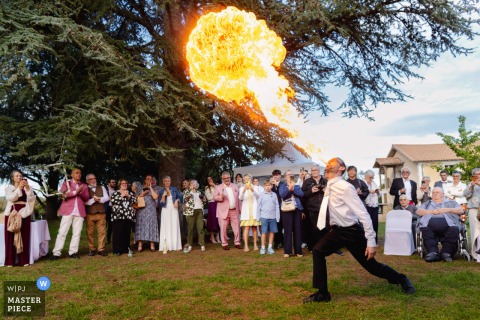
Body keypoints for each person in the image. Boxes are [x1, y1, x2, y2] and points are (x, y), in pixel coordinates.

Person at [304, 157, 415, 303]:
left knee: (372, 267)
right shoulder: (329, 186)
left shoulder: (345, 187)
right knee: (318, 250)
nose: (329, 164)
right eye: (328, 163)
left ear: (342, 168)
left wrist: (371, 241)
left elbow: (363, 214)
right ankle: (322, 293)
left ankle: (401, 279)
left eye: (333, 162)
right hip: (337, 231)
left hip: (351, 232)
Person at [51, 168, 90, 260]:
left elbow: (87, 198)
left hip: (79, 211)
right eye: (76, 173)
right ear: (72, 175)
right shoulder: (67, 183)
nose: (78, 174)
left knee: (77, 233)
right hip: (68, 210)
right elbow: (62, 195)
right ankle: (56, 253)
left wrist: (80, 193)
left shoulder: (84, 185)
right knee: (62, 232)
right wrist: (75, 192)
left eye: (80, 173)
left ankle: (73, 252)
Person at [417, 187, 464, 262]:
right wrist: (432, 212)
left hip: (449, 225)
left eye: (437, 192)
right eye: (433, 192)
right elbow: (418, 211)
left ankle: (446, 253)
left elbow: (461, 210)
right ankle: (433, 252)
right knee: (425, 229)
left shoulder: (451, 202)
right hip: (428, 225)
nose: (435, 194)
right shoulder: (427, 203)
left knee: (454, 229)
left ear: (443, 194)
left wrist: (447, 210)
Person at [3, 170, 36, 266]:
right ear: (13, 178)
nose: (19, 177)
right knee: (10, 237)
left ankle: (24, 260)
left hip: (24, 213)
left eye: (21, 176)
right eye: (17, 176)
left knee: (24, 236)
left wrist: (27, 188)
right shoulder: (9, 188)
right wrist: (19, 188)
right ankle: (10, 261)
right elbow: (11, 198)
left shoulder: (27, 187)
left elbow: (31, 199)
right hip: (11, 213)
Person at [301, 165, 328, 250]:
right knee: (314, 229)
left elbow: (333, 193)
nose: (314, 172)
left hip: (325, 208)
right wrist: (311, 191)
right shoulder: (307, 182)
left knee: (326, 228)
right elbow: (302, 195)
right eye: (312, 170)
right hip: (312, 208)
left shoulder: (326, 180)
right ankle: (316, 247)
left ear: (319, 171)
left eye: (315, 170)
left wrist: (326, 191)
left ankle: (326, 247)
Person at [279, 170, 304, 258]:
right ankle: (287, 251)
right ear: (285, 177)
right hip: (287, 210)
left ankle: (298, 251)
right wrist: (289, 189)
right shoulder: (282, 185)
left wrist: (293, 189)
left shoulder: (296, 185)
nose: (290, 176)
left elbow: (301, 194)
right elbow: (282, 195)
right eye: (289, 175)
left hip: (297, 209)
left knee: (298, 230)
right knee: (288, 230)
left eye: (292, 174)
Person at [214, 172, 242, 250]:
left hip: (234, 210)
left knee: (236, 227)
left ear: (230, 177)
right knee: (223, 228)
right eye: (225, 178)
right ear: (222, 179)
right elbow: (214, 198)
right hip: (223, 211)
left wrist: (240, 209)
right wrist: (220, 197)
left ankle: (237, 242)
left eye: (228, 178)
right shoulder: (218, 187)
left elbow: (238, 199)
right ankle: (224, 243)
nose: (226, 179)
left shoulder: (235, 186)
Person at [85, 174, 110, 257]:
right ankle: (91, 249)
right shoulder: (85, 188)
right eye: (91, 179)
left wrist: (99, 200)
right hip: (89, 213)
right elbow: (84, 201)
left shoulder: (102, 187)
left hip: (101, 212)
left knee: (102, 232)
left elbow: (107, 197)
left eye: (94, 178)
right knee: (90, 232)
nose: (93, 180)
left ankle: (101, 249)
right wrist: (93, 200)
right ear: (87, 181)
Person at [110, 179, 137, 255]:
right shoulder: (115, 193)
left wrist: (128, 195)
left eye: (126, 183)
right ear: (119, 184)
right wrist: (122, 196)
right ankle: (117, 250)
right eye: (123, 183)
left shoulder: (130, 193)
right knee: (118, 233)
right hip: (118, 216)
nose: (124, 184)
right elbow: (113, 201)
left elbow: (135, 201)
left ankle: (125, 249)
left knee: (126, 233)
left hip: (128, 216)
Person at [158, 176, 183, 253]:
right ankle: (166, 245)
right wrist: (163, 196)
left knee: (174, 225)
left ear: (170, 182)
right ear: (163, 182)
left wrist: (176, 201)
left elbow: (181, 198)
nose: (167, 182)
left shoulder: (174, 189)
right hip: (165, 210)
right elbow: (161, 203)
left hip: (174, 209)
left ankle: (176, 245)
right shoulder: (161, 191)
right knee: (166, 226)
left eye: (168, 181)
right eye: (166, 181)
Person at [135, 175, 159, 252]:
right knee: (141, 225)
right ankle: (140, 244)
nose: (149, 180)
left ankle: (152, 244)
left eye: (151, 179)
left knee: (151, 225)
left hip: (151, 210)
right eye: (148, 179)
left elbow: (155, 197)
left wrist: (150, 188)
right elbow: (136, 198)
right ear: (145, 180)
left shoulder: (155, 188)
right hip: (142, 209)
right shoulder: (140, 187)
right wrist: (143, 193)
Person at [182, 179, 206, 253]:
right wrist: (190, 190)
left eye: (195, 183)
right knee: (190, 229)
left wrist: (204, 200)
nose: (193, 185)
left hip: (199, 211)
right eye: (192, 183)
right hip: (190, 212)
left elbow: (203, 202)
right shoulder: (186, 192)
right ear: (190, 185)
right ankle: (189, 245)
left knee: (200, 228)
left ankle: (202, 244)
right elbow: (185, 199)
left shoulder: (199, 192)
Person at [257, 180, 280, 255]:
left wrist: (277, 216)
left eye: (269, 185)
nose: (268, 187)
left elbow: (277, 205)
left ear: (272, 186)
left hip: (273, 217)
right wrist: (258, 217)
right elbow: (258, 206)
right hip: (264, 217)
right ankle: (263, 248)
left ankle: (270, 247)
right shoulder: (261, 195)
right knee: (264, 233)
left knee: (272, 232)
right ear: (264, 186)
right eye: (266, 185)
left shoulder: (274, 194)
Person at [239, 174, 261, 251]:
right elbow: (240, 198)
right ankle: (246, 246)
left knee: (255, 228)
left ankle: (255, 245)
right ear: (244, 181)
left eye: (249, 178)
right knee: (246, 228)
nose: (247, 180)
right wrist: (244, 190)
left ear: (251, 180)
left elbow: (258, 196)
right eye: (246, 179)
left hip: (254, 211)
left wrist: (252, 189)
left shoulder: (255, 187)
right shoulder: (242, 188)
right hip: (246, 211)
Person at [463, 168, 480, 262]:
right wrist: (471, 187)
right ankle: (475, 253)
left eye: (479, 174)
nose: (478, 175)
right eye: (476, 174)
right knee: (474, 231)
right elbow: (465, 194)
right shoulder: (470, 183)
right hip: (474, 208)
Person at [364, 170, 380, 243]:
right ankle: (366, 240)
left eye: (372, 178)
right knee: (367, 224)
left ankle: (375, 240)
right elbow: (361, 194)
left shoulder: (374, 183)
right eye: (370, 177)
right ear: (366, 176)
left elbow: (379, 195)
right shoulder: (362, 183)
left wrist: (377, 192)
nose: (371, 179)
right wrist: (368, 192)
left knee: (375, 223)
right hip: (366, 206)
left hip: (374, 206)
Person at [271, 169, 284, 249]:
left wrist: (277, 185)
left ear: (280, 176)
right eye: (275, 175)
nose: (276, 176)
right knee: (275, 226)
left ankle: (282, 241)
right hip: (273, 209)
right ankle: (276, 242)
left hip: (282, 207)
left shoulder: (283, 184)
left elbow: (282, 194)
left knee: (282, 226)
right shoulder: (270, 185)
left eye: (277, 175)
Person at [205, 176, 220, 243]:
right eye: (208, 179)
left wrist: (214, 185)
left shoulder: (216, 186)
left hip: (218, 204)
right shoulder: (207, 188)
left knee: (218, 220)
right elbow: (209, 197)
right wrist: (216, 197)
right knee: (212, 220)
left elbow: (220, 193)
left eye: (210, 179)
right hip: (212, 205)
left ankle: (218, 236)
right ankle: (212, 237)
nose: (209, 180)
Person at [105, 178, 116, 245]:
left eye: (114, 182)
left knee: (111, 225)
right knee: (104, 225)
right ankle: (103, 240)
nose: (114, 183)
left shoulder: (115, 191)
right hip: (106, 208)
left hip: (113, 209)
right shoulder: (105, 190)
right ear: (109, 183)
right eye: (112, 182)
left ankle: (109, 240)